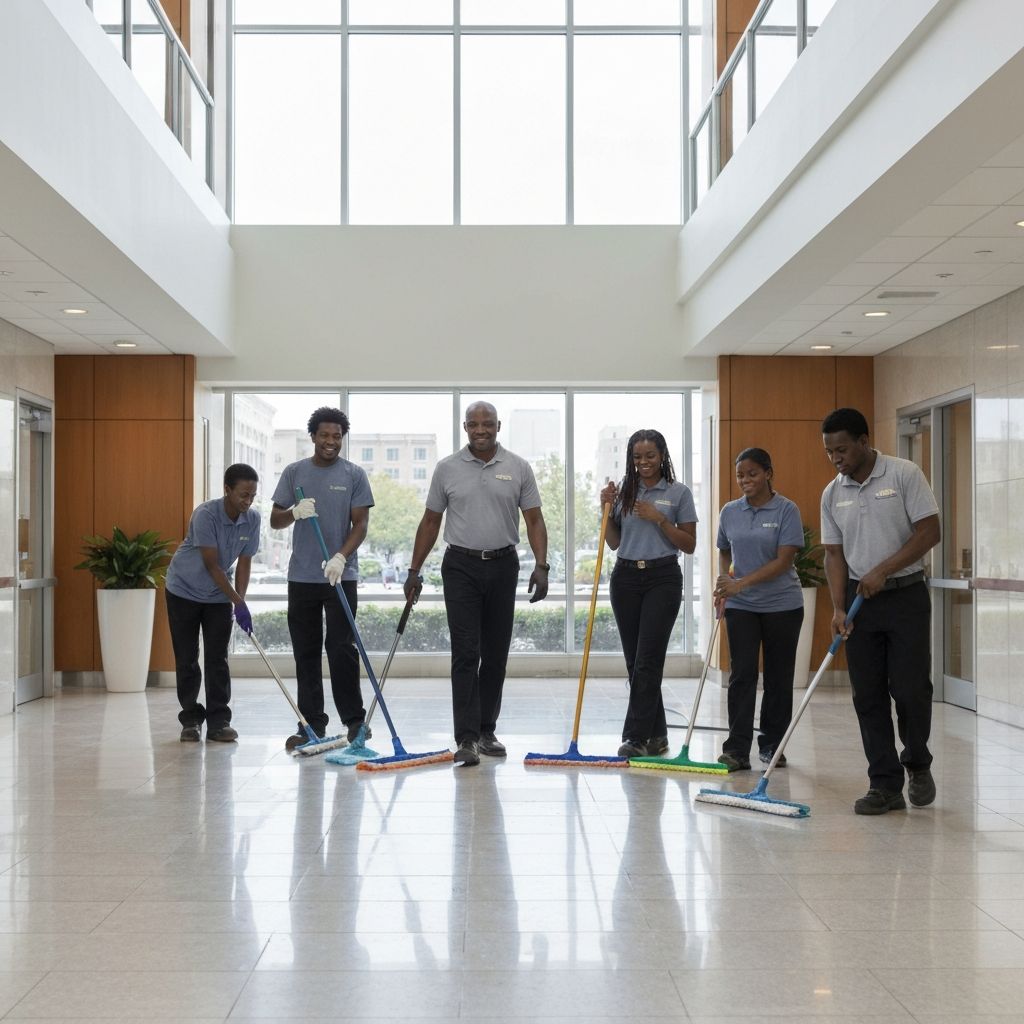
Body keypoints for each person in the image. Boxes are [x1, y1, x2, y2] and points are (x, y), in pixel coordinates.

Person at [404, 401, 549, 767]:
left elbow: (534, 520)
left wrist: (542, 565)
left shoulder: (518, 467)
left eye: (487, 424)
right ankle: (466, 738)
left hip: (503, 565)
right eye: (474, 424)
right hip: (461, 566)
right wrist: (413, 569)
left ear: (498, 426)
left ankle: (486, 730)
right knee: (466, 652)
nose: (480, 430)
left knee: (496, 653)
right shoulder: (447, 469)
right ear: (464, 426)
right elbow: (430, 522)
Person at [821, 407, 940, 816]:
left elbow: (930, 530)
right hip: (860, 603)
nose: (836, 458)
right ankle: (884, 784)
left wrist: (884, 569)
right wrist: (839, 606)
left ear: (864, 442)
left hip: (905, 595)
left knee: (909, 690)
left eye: (842, 449)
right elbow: (833, 554)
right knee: (867, 696)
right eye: (829, 452)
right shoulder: (832, 493)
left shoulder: (903, 474)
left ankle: (918, 763)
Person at [270, 407, 374, 751]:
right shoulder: (294, 472)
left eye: (337, 436)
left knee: (342, 648)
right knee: (307, 651)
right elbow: (275, 520)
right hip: (302, 577)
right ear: (312, 436)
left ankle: (355, 721)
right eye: (325, 435)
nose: (331, 442)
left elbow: (360, 524)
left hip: (341, 575)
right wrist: (294, 512)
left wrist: (341, 557)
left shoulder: (354, 474)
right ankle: (311, 723)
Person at [600, 429, 697, 758]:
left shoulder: (678, 493)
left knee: (647, 661)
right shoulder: (625, 492)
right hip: (625, 578)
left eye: (650, 456)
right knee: (636, 663)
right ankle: (657, 736)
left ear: (662, 456)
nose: (643, 462)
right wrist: (604, 508)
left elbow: (689, 544)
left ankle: (636, 737)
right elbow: (613, 541)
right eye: (637, 457)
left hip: (663, 577)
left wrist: (659, 519)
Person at [713, 447, 804, 771]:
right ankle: (737, 750)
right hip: (741, 607)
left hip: (783, 606)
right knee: (742, 675)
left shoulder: (786, 510)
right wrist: (725, 583)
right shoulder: (730, 511)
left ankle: (772, 747)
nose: (745, 480)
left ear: (768, 473)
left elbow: (784, 561)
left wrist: (741, 583)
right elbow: (724, 550)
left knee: (779, 678)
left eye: (752, 474)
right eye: (740, 475)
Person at [166, 464, 260, 743]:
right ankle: (191, 719)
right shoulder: (206, 515)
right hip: (183, 590)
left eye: (253, 495)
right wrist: (236, 600)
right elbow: (212, 565)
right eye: (243, 495)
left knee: (218, 658)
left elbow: (244, 563)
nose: (248, 501)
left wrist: (239, 601)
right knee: (187, 657)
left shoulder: (251, 519)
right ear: (227, 490)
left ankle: (219, 721)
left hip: (218, 595)